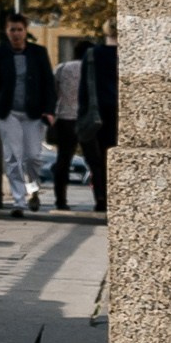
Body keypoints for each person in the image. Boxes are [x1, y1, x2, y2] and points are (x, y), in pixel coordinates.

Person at [0, 15, 57, 214]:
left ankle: (33, 189)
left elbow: (48, 84)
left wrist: (49, 110)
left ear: (25, 31)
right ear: (6, 31)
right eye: (12, 30)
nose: (16, 34)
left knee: (32, 156)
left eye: (19, 30)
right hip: (8, 112)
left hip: (33, 113)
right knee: (13, 157)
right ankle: (18, 202)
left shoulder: (38, 53)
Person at [77, 30, 116, 218]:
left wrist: (82, 112)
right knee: (113, 156)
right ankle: (114, 195)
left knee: (97, 160)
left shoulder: (92, 54)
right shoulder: (131, 52)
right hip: (119, 112)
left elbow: (84, 87)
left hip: (96, 112)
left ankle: (101, 197)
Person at [49, 40, 84, 212]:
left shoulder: (62, 68)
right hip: (86, 120)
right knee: (96, 161)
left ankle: (60, 200)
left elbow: (52, 92)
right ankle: (101, 199)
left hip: (64, 119)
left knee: (63, 160)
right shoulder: (91, 70)